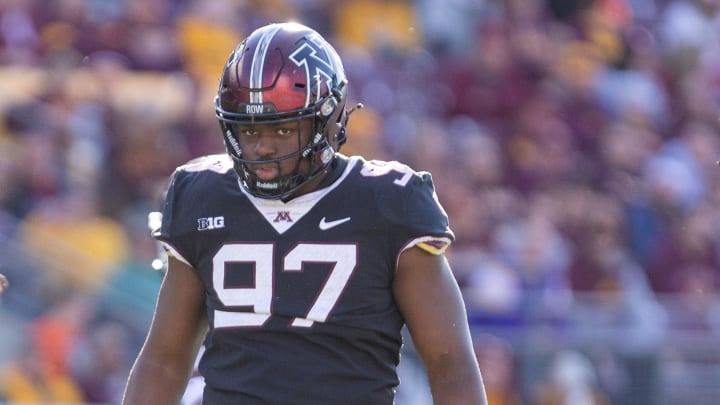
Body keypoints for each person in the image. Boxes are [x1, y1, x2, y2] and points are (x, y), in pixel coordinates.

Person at [122, 22, 486, 405]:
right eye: (249, 130)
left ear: (327, 120)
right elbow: (164, 360)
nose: (262, 147)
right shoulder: (203, 196)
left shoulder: (389, 203)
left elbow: (451, 364)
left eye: (280, 130)